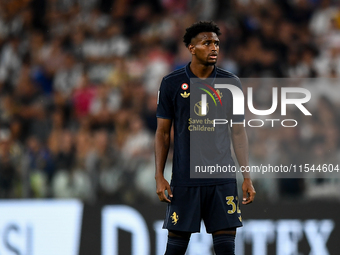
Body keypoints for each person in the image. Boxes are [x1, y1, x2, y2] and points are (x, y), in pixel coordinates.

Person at [155, 21, 256, 255]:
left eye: (217, 43)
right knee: (175, 249)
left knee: (226, 250)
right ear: (191, 48)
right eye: (207, 43)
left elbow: (238, 131)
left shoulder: (231, 83)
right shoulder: (171, 83)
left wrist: (246, 176)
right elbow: (162, 133)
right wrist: (159, 176)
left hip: (222, 179)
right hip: (185, 180)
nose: (214, 48)